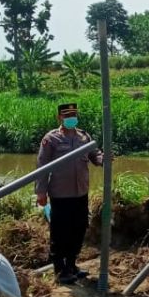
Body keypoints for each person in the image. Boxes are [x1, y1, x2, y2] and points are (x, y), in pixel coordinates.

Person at [35, 103, 104, 285]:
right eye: (67, 115)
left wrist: (102, 159)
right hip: (60, 194)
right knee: (60, 233)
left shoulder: (83, 136)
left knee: (79, 228)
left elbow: (94, 155)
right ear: (60, 118)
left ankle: (72, 265)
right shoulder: (51, 139)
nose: (71, 118)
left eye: (74, 114)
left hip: (80, 192)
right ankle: (60, 270)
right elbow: (42, 167)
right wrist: (40, 192)